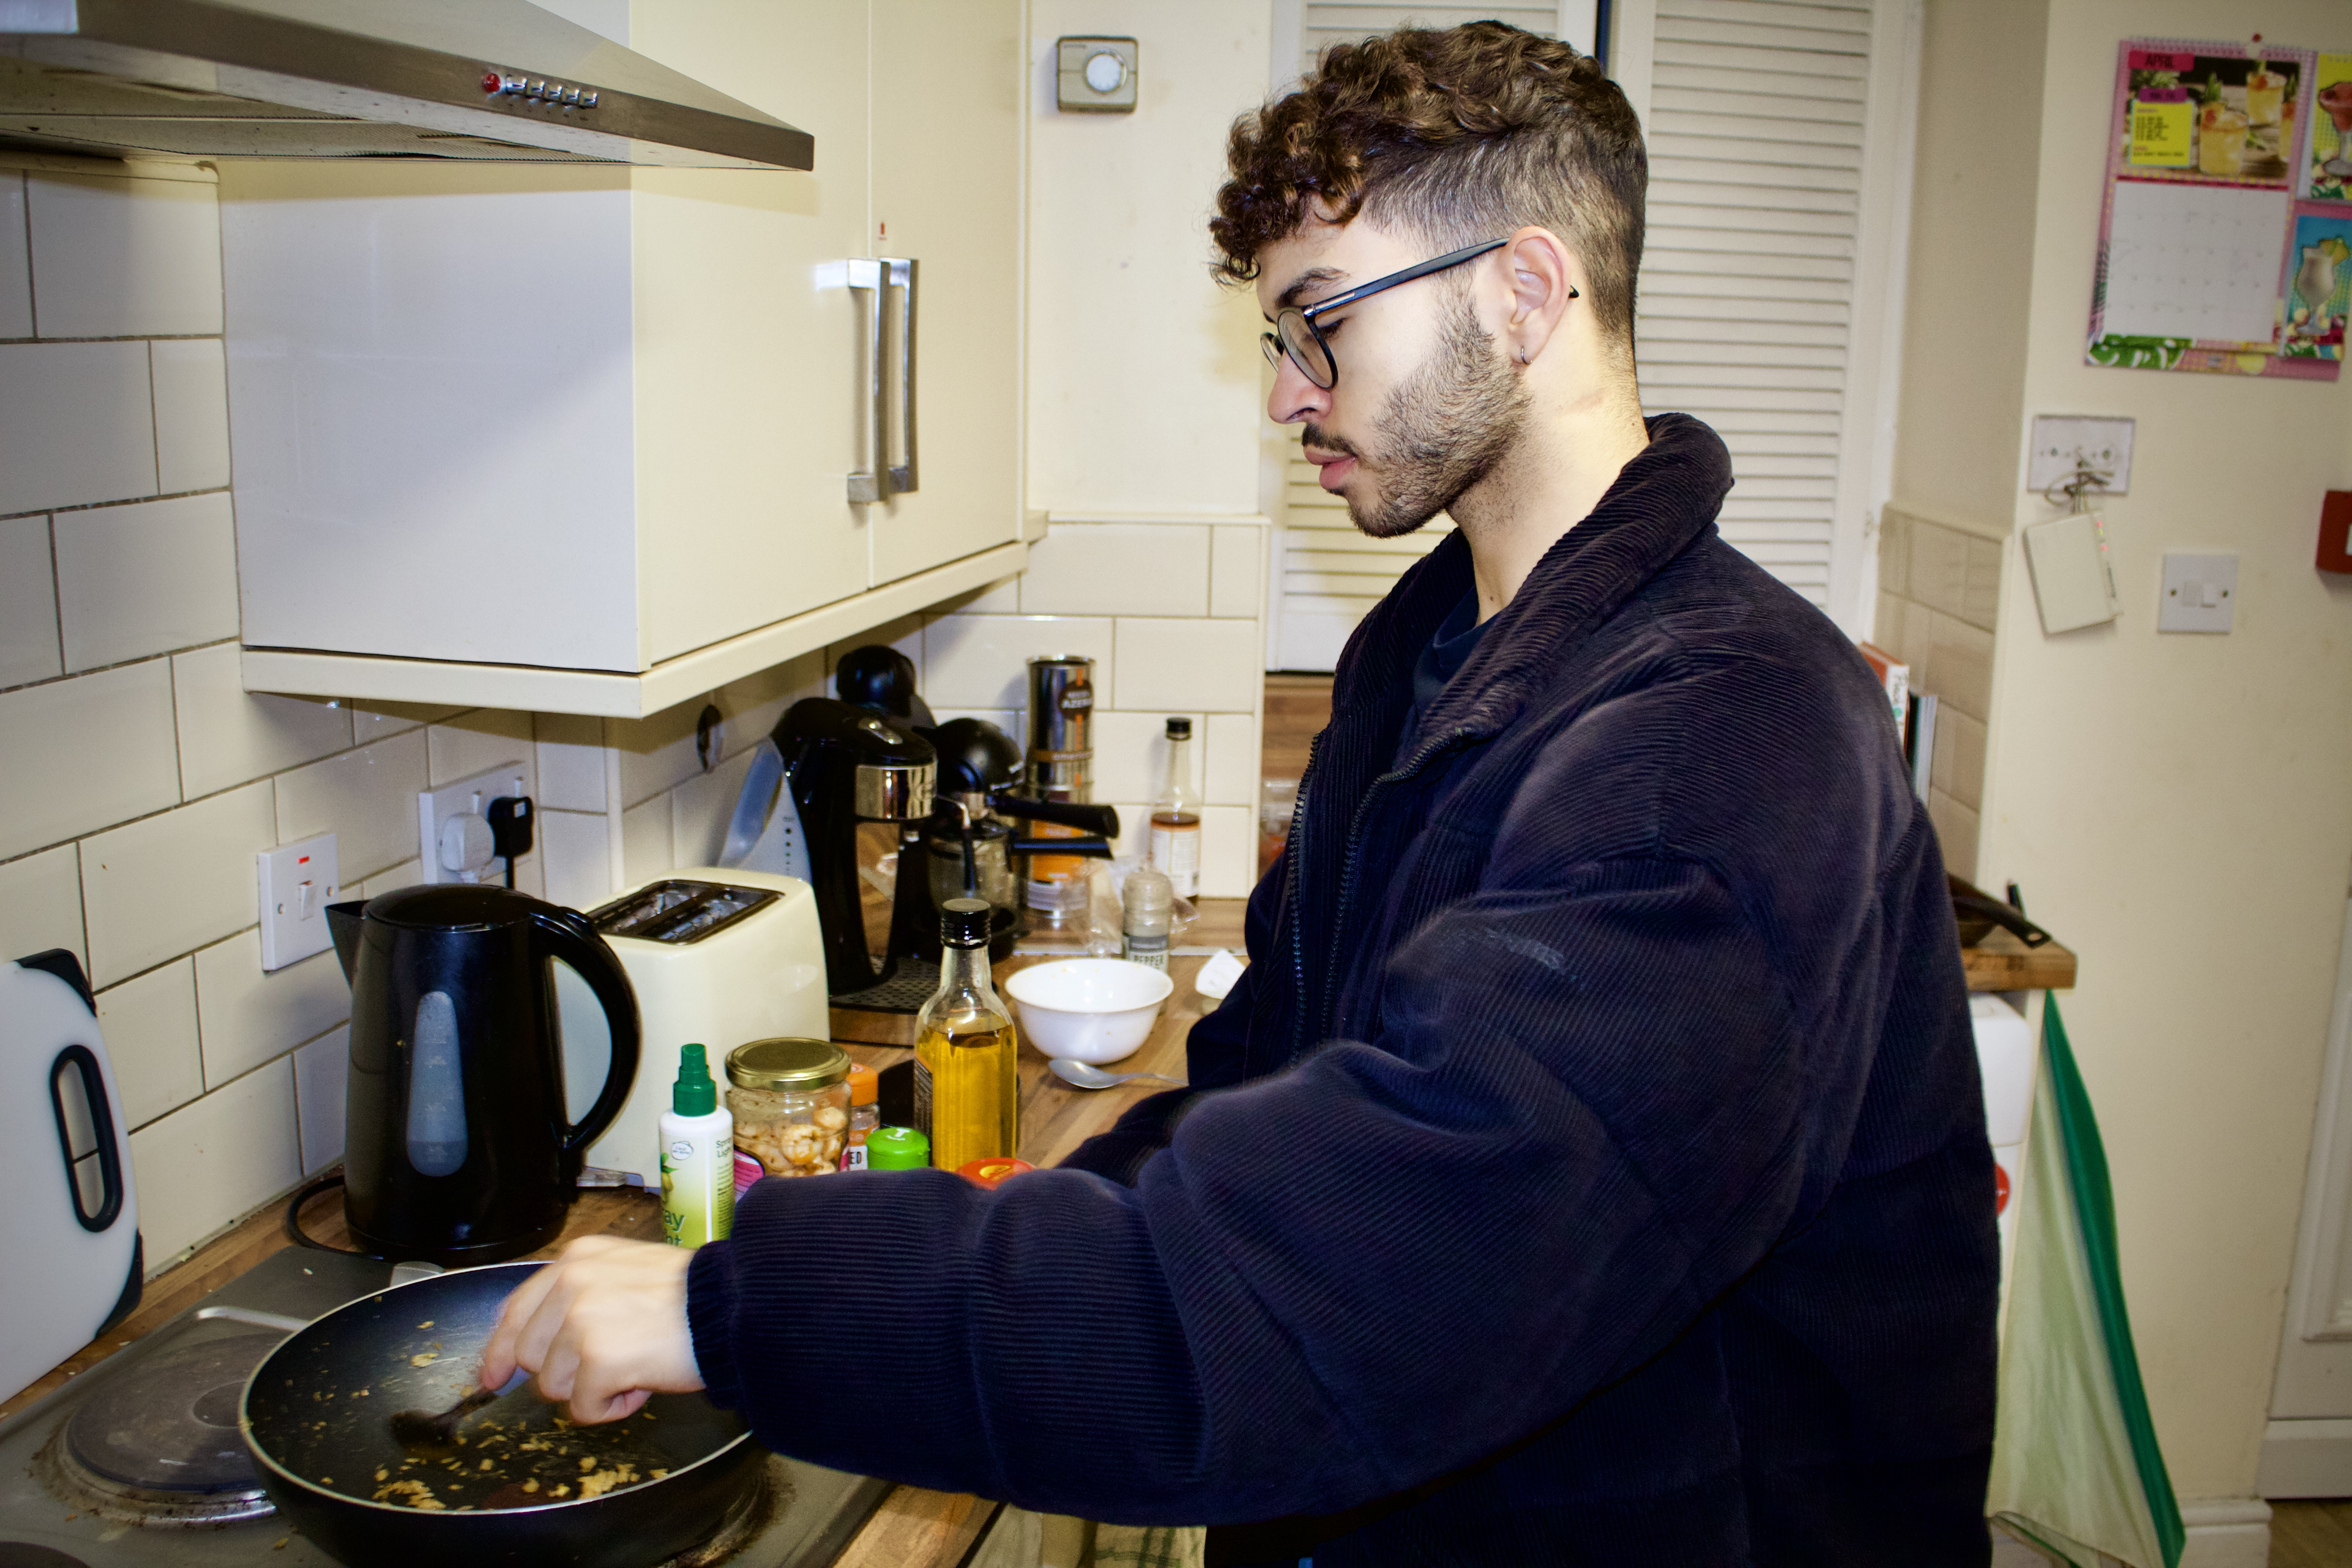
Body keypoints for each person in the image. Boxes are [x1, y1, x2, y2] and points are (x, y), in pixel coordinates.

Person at [484, 21, 1998, 1565]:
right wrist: (939, 1249)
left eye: (1320, 322)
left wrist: (740, 1309)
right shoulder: (1425, 665)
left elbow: (1358, 1288)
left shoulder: (1718, 739)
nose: (1286, 395)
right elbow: (1259, 1103)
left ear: (1526, 292)